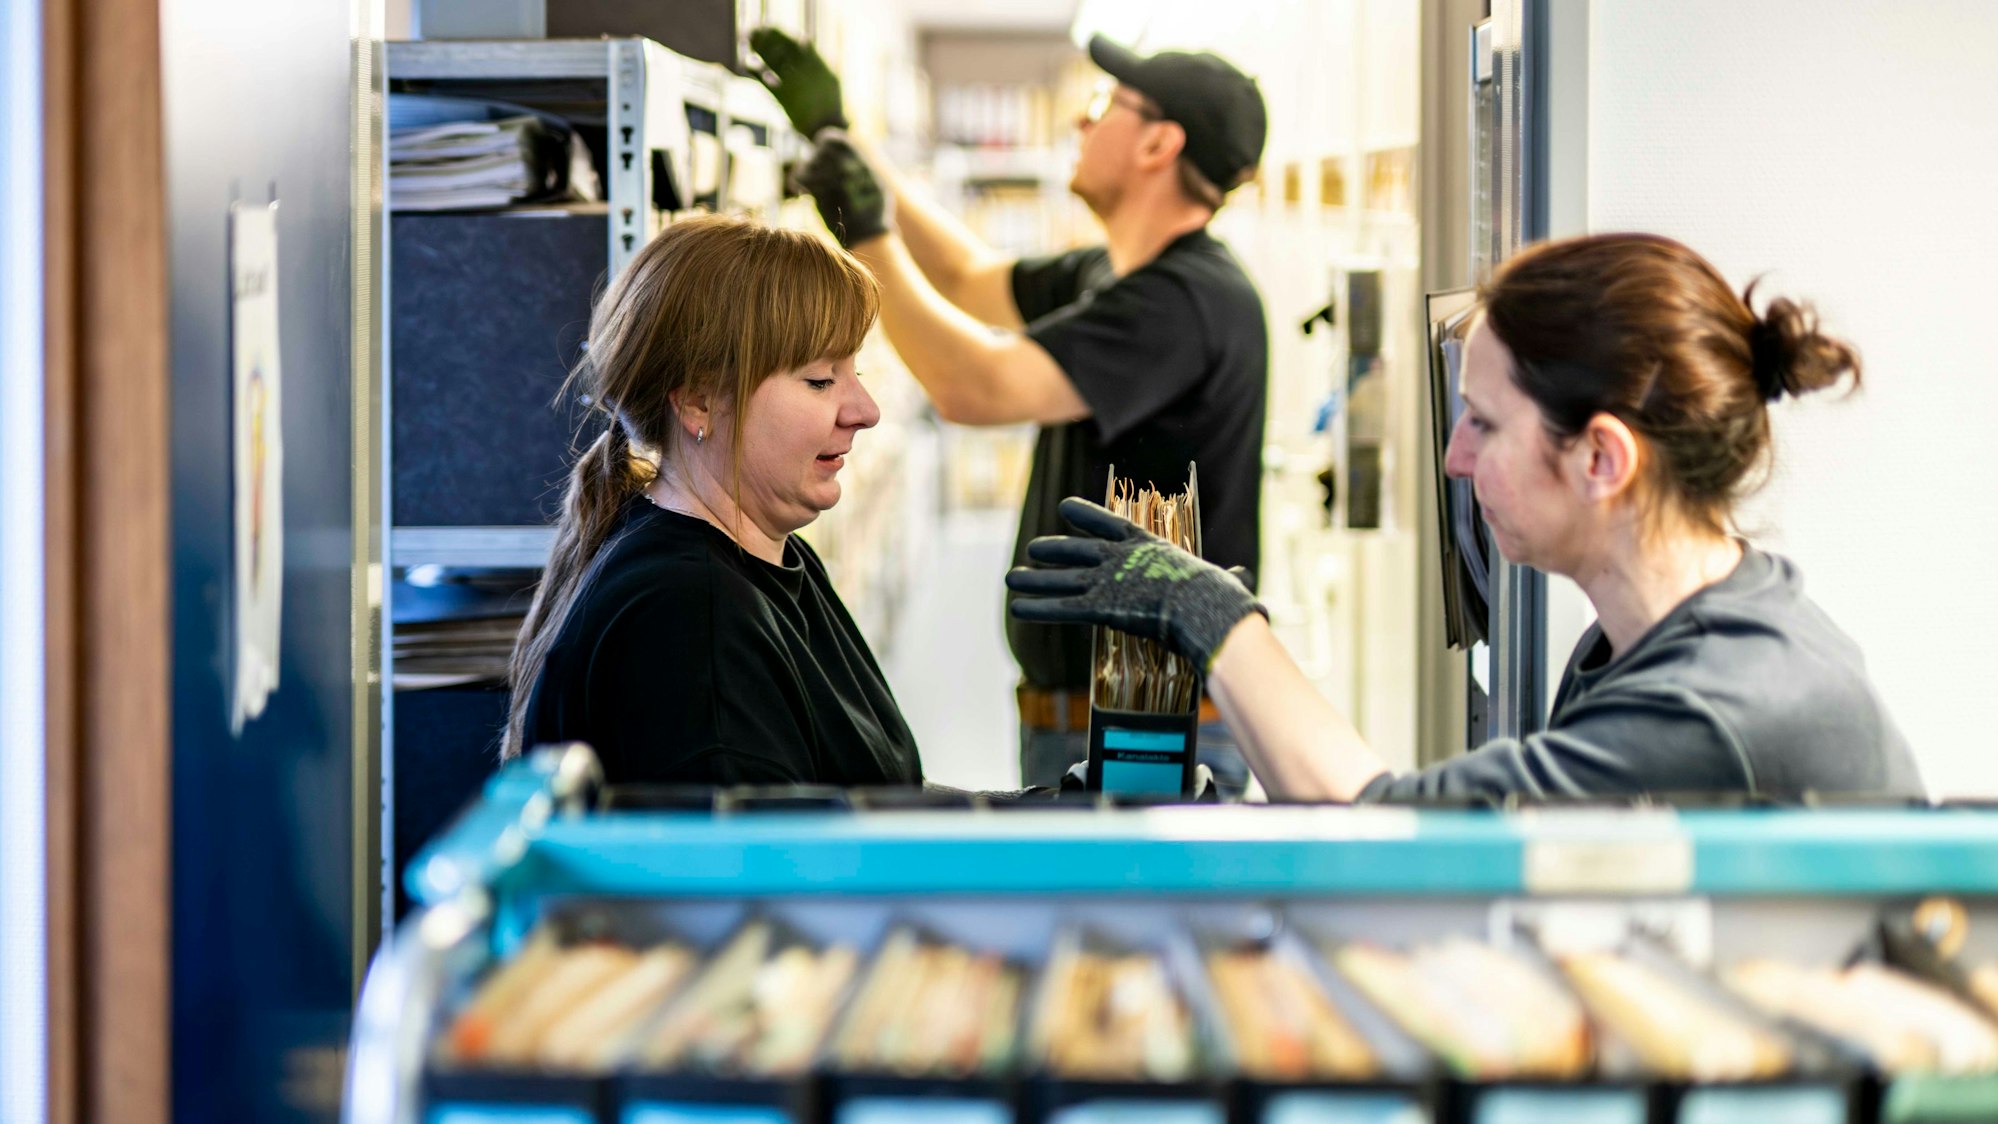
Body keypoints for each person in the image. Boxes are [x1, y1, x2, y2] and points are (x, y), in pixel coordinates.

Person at [1006, 233, 1926, 803]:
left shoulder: (1712, 708)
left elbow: (1392, 838)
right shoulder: (1644, 639)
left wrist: (1211, 619)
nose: (1454, 458)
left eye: (1483, 424)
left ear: (1602, 458)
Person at [751, 28, 1271, 793]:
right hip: (1079, 710)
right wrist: (846, 143)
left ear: (1159, 143)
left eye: (1105, 106)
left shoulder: (1184, 303)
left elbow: (975, 386)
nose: (1080, 122)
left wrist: (865, 233)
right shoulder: (1113, 272)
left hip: (1144, 726)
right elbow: (965, 276)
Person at [502, 214, 923, 788]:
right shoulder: (688, 622)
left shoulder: (765, 558)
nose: (865, 410)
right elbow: (767, 871)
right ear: (699, 402)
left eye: (856, 371)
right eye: (821, 380)